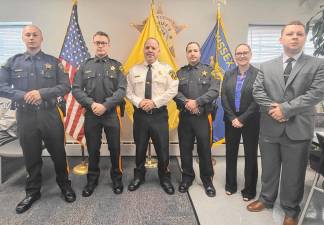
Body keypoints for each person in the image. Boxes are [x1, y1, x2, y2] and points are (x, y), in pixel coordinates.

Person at [248, 20, 324, 225]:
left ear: (305, 38)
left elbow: (316, 93)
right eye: (290, 34)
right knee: (269, 168)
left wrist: (286, 109)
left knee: (294, 172)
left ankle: (291, 209)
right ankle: (266, 198)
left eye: (299, 34)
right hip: (270, 127)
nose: (295, 37)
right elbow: (257, 91)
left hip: (298, 128)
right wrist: (276, 109)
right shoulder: (266, 65)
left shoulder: (317, 64)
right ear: (281, 38)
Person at [0, 25, 76, 214]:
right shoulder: (13, 62)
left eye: (35, 35)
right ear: (23, 38)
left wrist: (41, 93)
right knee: (31, 156)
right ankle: (32, 192)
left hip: (49, 114)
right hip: (25, 116)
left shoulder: (53, 62)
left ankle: (64, 185)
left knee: (58, 153)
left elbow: (66, 86)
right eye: (28, 35)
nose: (32, 38)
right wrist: (21, 95)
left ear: (41, 39)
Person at [72, 31, 126, 196]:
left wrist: (106, 105)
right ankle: (92, 180)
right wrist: (92, 104)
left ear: (109, 45)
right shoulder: (84, 66)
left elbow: (122, 89)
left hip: (110, 114)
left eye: (103, 42)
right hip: (91, 114)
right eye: (97, 42)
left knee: (115, 148)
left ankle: (117, 179)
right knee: (93, 149)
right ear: (93, 44)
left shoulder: (117, 66)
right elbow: (76, 89)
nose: (100, 45)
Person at [126, 37, 179, 195]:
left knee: (162, 149)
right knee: (140, 147)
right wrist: (139, 102)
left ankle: (165, 178)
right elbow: (128, 92)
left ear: (158, 51)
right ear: (144, 50)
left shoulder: (168, 70)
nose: (150, 50)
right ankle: (139, 176)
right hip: (141, 116)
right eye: (147, 47)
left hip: (159, 116)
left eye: (153, 48)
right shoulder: (134, 70)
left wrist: (154, 102)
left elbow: (173, 90)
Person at [174, 41, 220, 197]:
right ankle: (187, 178)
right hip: (185, 117)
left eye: (195, 50)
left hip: (202, 117)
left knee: (204, 149)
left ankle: (207, 180)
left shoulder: (210, 71)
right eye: (189, 51)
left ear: (200, 54)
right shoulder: (179, 73)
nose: (192, 53)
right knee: (184, 148)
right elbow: (174, 92)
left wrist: (197, 102)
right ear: (186, 54)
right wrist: (187, 103)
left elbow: (214, 91)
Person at [221, 43, 260, 201]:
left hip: (251, 120)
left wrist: (242, 119)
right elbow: (223, 96)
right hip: (231, 119)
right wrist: (233, 118)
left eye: (245, 53)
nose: (242, 56)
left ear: (250, 54)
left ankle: (249, 190)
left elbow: (257, 99)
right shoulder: (229, 73)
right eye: (239, 53)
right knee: (231, 153)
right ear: (235, 56)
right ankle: (230, 185)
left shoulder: (258, 74)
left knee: (250, 155)